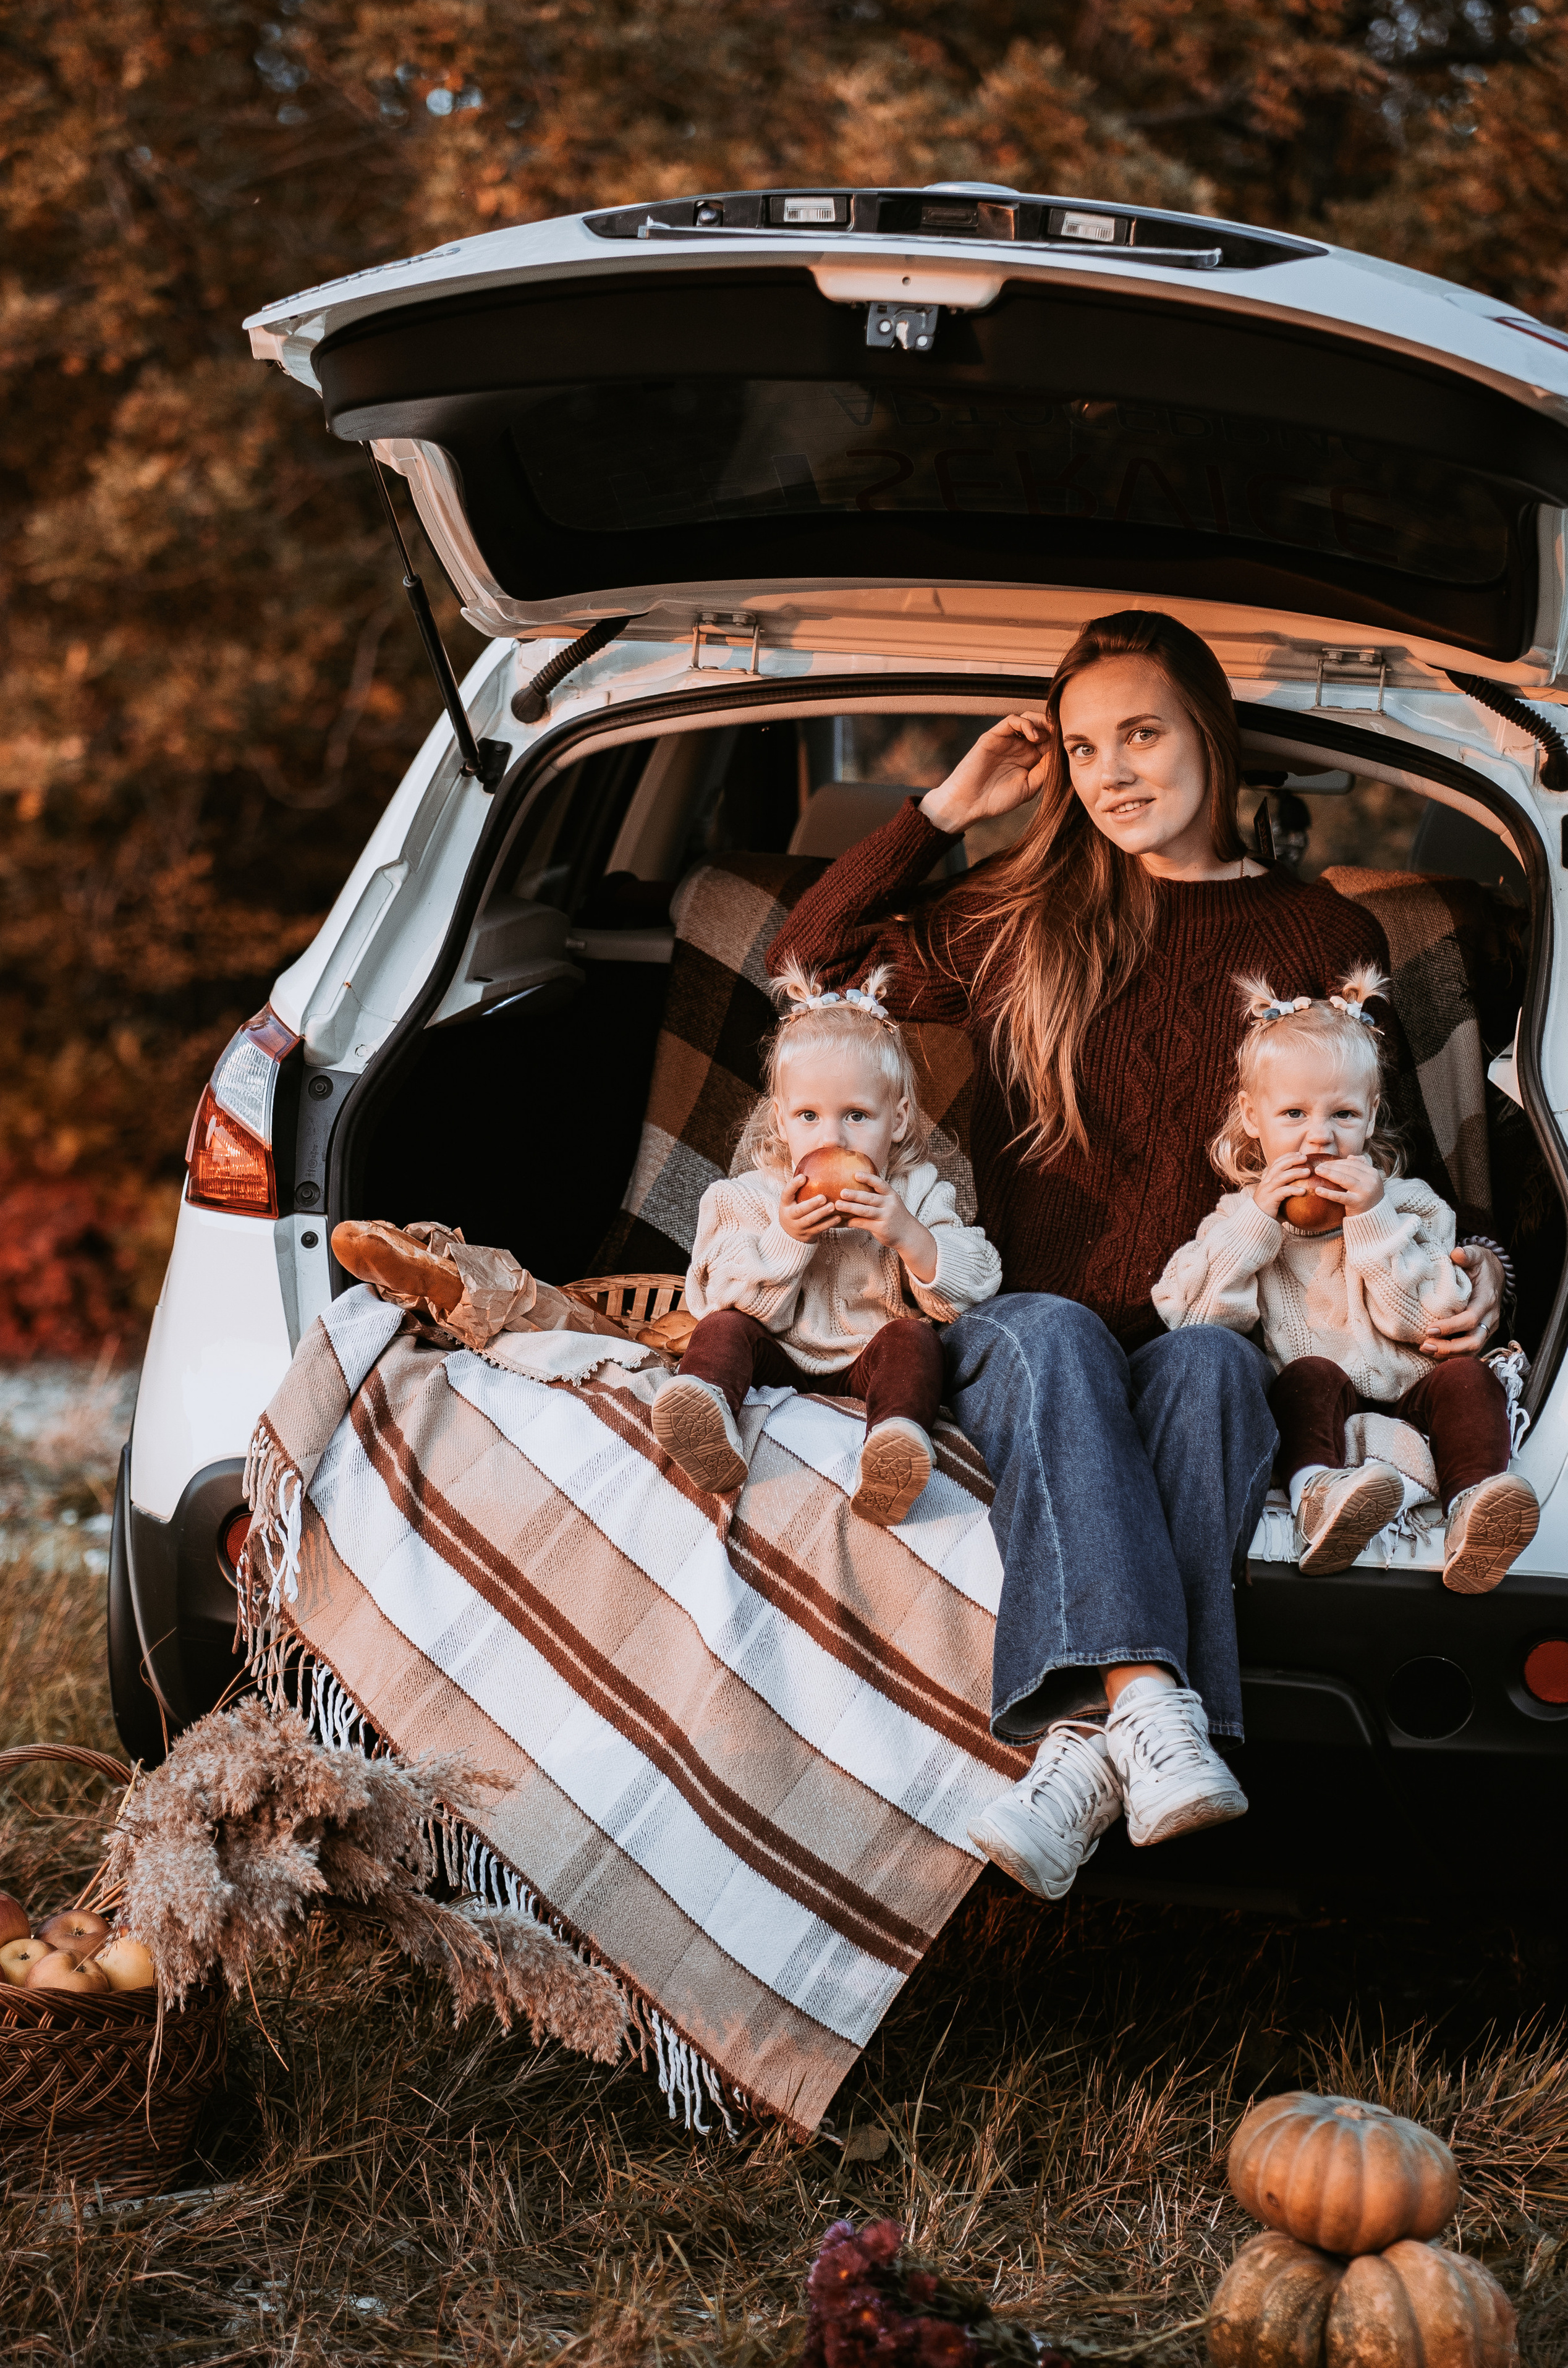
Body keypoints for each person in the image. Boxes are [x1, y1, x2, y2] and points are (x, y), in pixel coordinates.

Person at [768, 608, 1508, 1902]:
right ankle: (1150, 1700)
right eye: (1080, 746)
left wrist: (1481, 1264)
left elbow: (1385, 1158)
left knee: (1220, 1374)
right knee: (1055, 1331)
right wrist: (944, 809)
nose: (1111, 770)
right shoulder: (1019, 916)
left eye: (1141, 733)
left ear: (1209, 737)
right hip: (1019, 1319)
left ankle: (1080, 1751)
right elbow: (803, 960)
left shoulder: (1315, 938)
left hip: (1203, 1324)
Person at [1153, 967, 1538, 1593]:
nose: (1318, 1136)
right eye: (1294, 1113)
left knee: (1466, 1379)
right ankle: (1320, 1498)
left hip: (1413, 1388)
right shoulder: (1241, 1221)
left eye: (1342, 1114)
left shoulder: (1408, 1205)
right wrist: (1255, 1225)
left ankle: (1477, 1514)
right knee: (1306, 1377)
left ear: (1371, 1116)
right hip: (1319, 1407)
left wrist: (1372, 1220)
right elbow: (1194, 1326)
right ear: (1253, 1117)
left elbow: (1424, 1324)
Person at [651, 962, 1003, 1525]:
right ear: (781, 1122)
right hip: (775, 1354)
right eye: (809, 1116)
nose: (831, 1137)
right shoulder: (748, 1196)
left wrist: (908, 1235)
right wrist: (787, 1238)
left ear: (898, 1118)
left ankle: (895, 1443)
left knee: (914, 1340)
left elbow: (975, 1284)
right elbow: (719, 1293)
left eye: (857, 1115)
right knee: (721, 1328)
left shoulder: (914, 1193)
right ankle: (705, 1409)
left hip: (869, 1361)